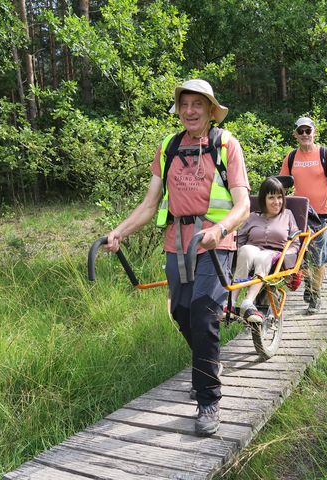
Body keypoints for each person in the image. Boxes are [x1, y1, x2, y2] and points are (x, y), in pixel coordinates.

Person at [104, 79, 250, 436]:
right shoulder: (168, 147)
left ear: (210, 109)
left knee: (202, 309)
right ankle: (207, 364)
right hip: (176, 242)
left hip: (215, 245)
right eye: (184, 104)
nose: (189, 111)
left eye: (197, 104)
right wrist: (120, 231)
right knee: (182, 312)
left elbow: (243, 205)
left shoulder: (226, 145)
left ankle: (208, 399)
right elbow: (150, 203)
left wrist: (220, 230)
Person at [279, 117, 327, 314]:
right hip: (298, 215)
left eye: (308, 130)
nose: (305, 134)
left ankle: (315, 295)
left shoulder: (325, 154)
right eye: (301, 131)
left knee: (319, 258)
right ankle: (308, 282)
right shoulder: (291, 157)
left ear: (314, 132)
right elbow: (282, 185)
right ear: (295, 134)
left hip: (321, 215)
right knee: (300, 257)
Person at [232, 177, 300, 321]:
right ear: (263, 199)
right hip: (252, 250)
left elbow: (295, 243)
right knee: (244, 250)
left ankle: (248, 302)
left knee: (264, 257)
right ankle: (231, 303)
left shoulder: (287, 215)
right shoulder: (252, 217)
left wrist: (285, 256)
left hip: (275, 254)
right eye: (271, 198)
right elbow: (240, 240)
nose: (277, 202)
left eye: (279, 197)